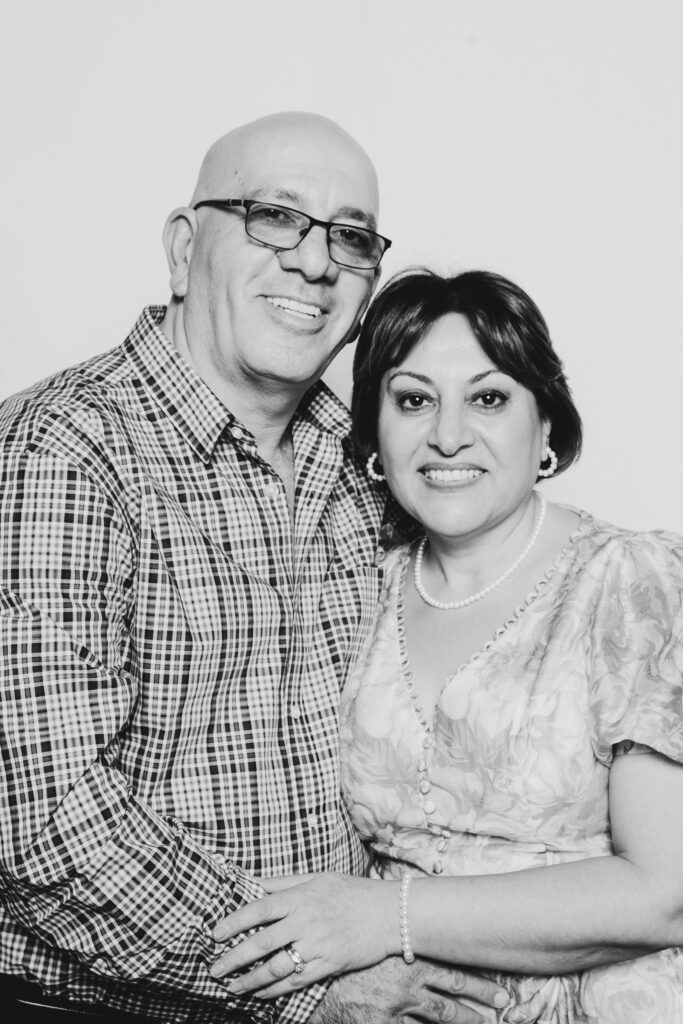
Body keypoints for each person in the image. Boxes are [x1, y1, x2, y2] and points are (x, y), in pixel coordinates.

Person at [0, 116, 509, 1024]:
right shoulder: (65, 450)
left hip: (361, 982)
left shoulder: (363, 462)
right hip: (112, 1006)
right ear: (182, 247)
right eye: (273, 216)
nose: (315, 262)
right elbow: (45, 822)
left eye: (349, 237)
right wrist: (310, 981)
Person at [208, 269, 683, 1023]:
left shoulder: (629, 580)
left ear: (547, 427)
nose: (448, 434)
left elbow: (666, 895)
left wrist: (382, 915)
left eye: (488, 398)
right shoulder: (360, 588)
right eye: (413, 399)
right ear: (373, 437)